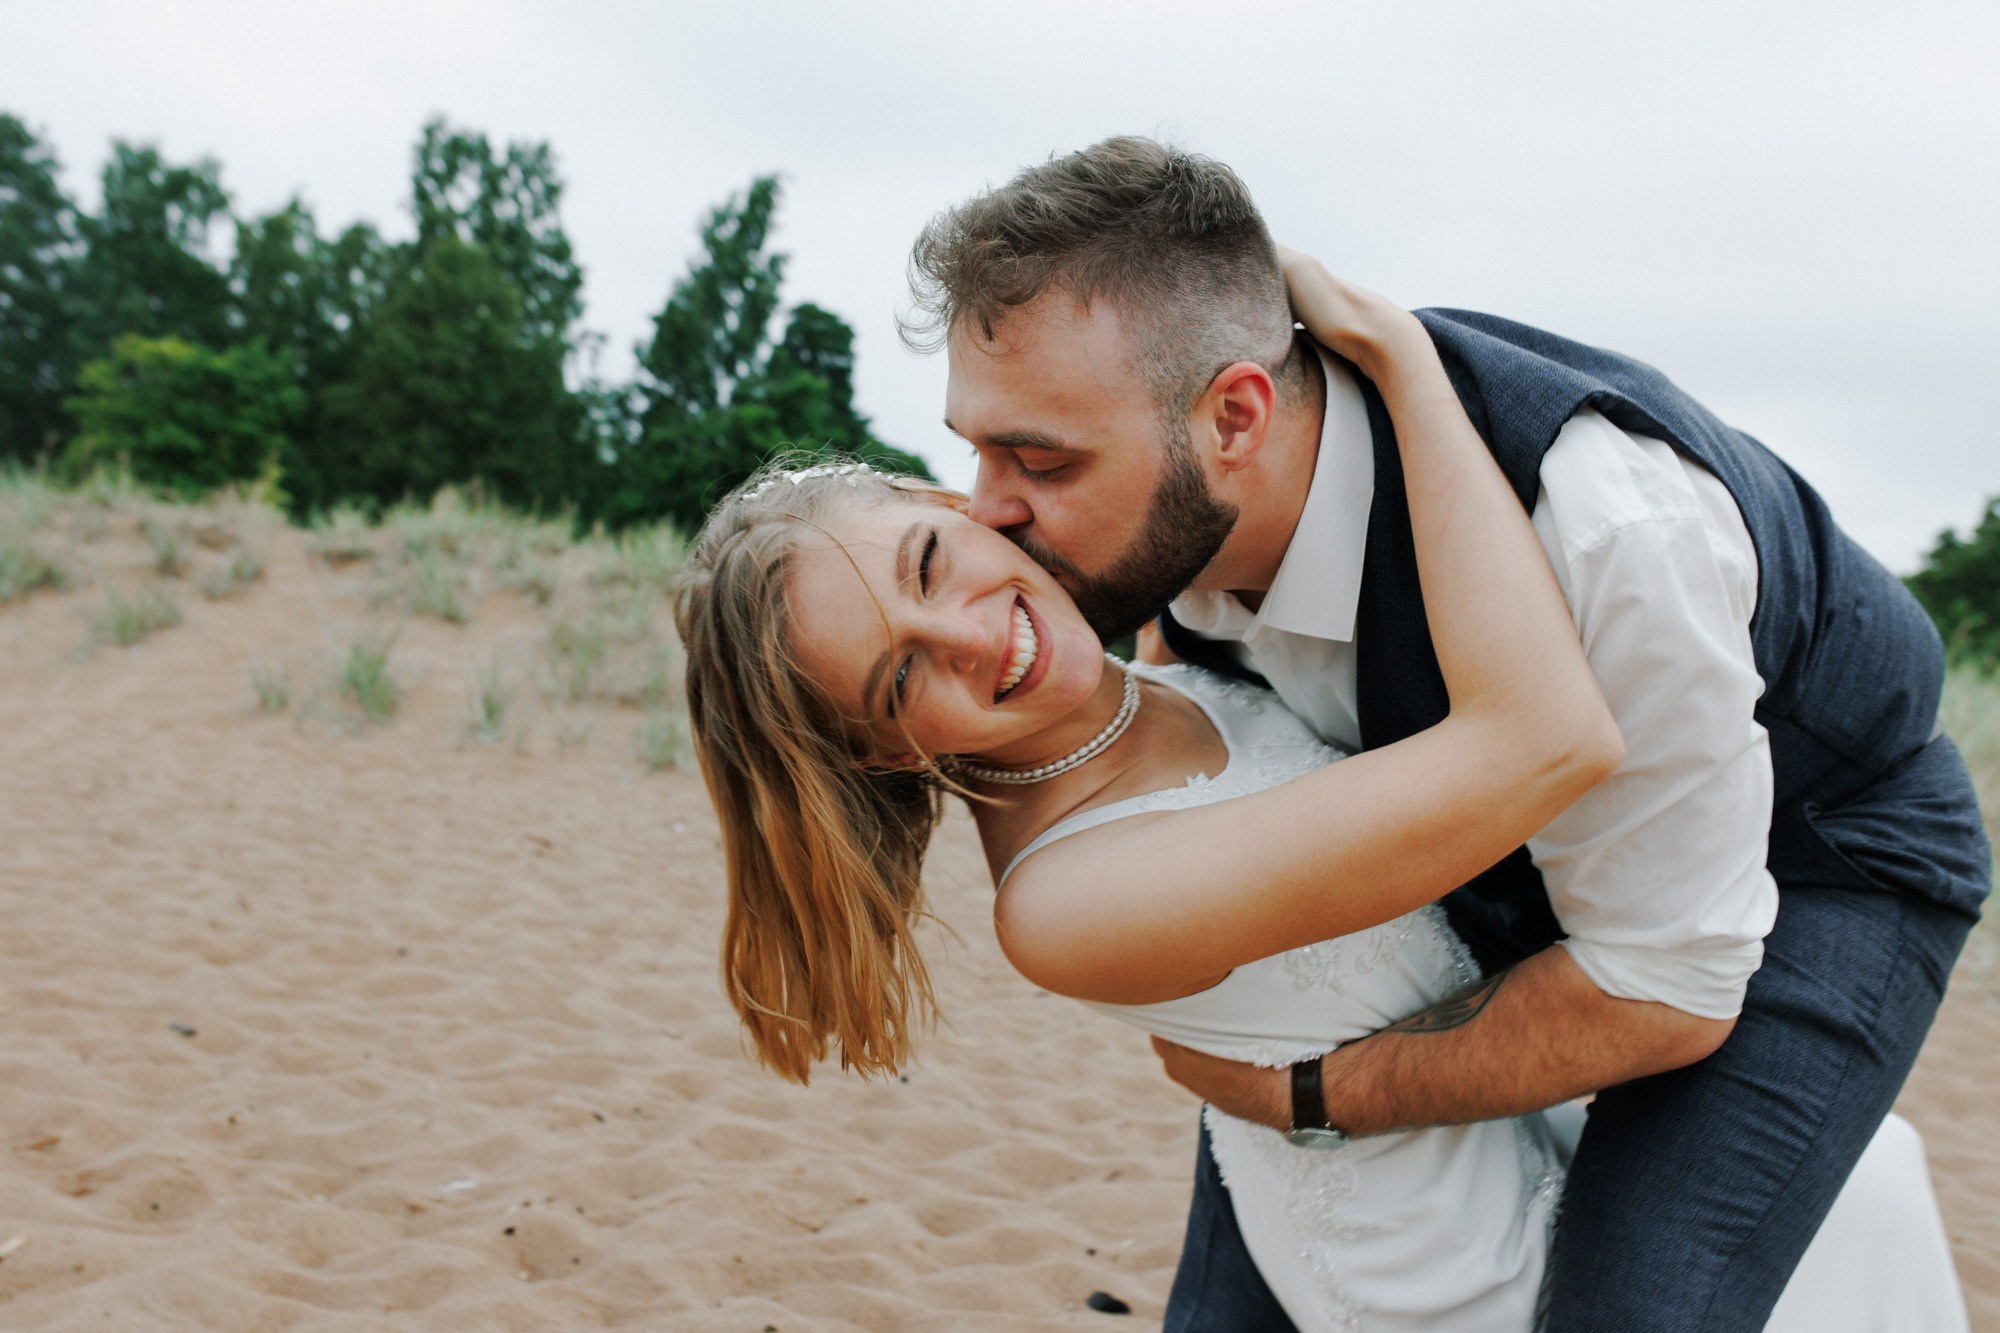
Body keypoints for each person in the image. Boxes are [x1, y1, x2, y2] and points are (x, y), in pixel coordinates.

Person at [675, 273, 1968, 1329]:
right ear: (890, 755)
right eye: (902, 679)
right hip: (1421, 1253)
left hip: (1507, 1113)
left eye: (929, 561)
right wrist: (1408, 363)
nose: (971, 635)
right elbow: (1537, 740)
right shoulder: (1069, 903)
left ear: (952, 500)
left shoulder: (1149, 640)